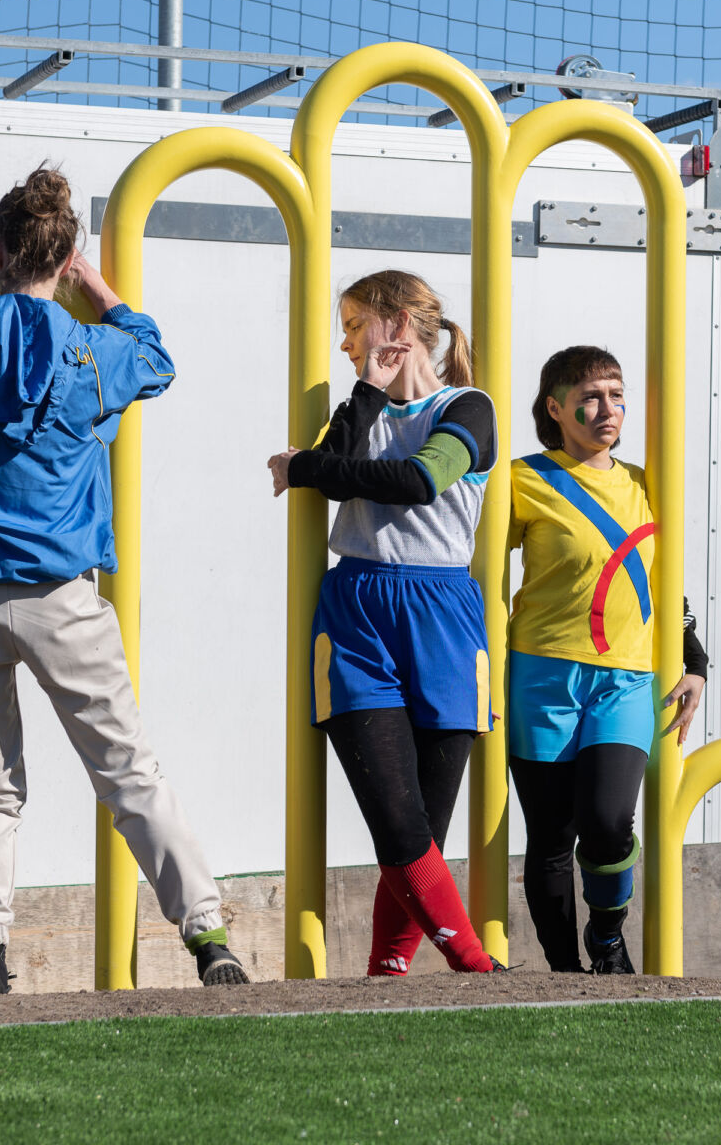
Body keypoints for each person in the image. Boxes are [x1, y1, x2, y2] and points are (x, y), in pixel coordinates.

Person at [0, 167, 247, 994]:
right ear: (65, 253)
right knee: (128, 773)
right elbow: (155, 352)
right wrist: (90, 278)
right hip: (63, 600)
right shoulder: (94, 349)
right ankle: (209, 937)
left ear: (3, 250)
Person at [267, 270, 504, 977]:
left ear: (398, 323)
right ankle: (473, 964)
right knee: (395, 821)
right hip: (357, 612)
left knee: (425, 828)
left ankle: (386, 971)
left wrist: (308, 467)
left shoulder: (470, 407)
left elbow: (420, 482)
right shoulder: (361, 408)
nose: (344, 344)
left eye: (353, 325)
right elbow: (336, 469)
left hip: (443, 616)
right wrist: (364, 394)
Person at [506, 346, 708, 974]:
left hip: (626, 679)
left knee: (609, 819)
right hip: (541, 676)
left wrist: (693, 659)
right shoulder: (521, 480)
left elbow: (658, 582)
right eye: (590, 396)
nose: (607, 409)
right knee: (549, 840)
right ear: (555, 408)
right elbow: (473, 565)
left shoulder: (648, 484)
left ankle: (607, 938)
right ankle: (564, 974)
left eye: (617, 395)